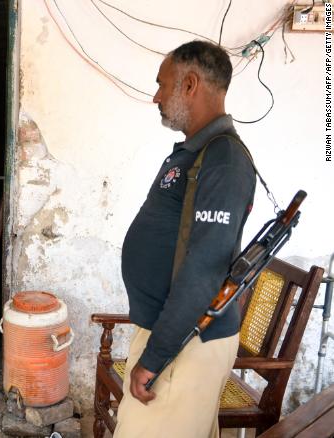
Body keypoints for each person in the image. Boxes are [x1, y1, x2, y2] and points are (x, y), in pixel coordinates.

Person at [115, 41, 256, 438]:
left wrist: (156, 357)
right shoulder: (199, 153)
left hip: (186, 341)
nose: (156, 96)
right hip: (175, 333)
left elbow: (205, 269)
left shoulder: (223, 161)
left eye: (163, 85)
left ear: (190, 84)